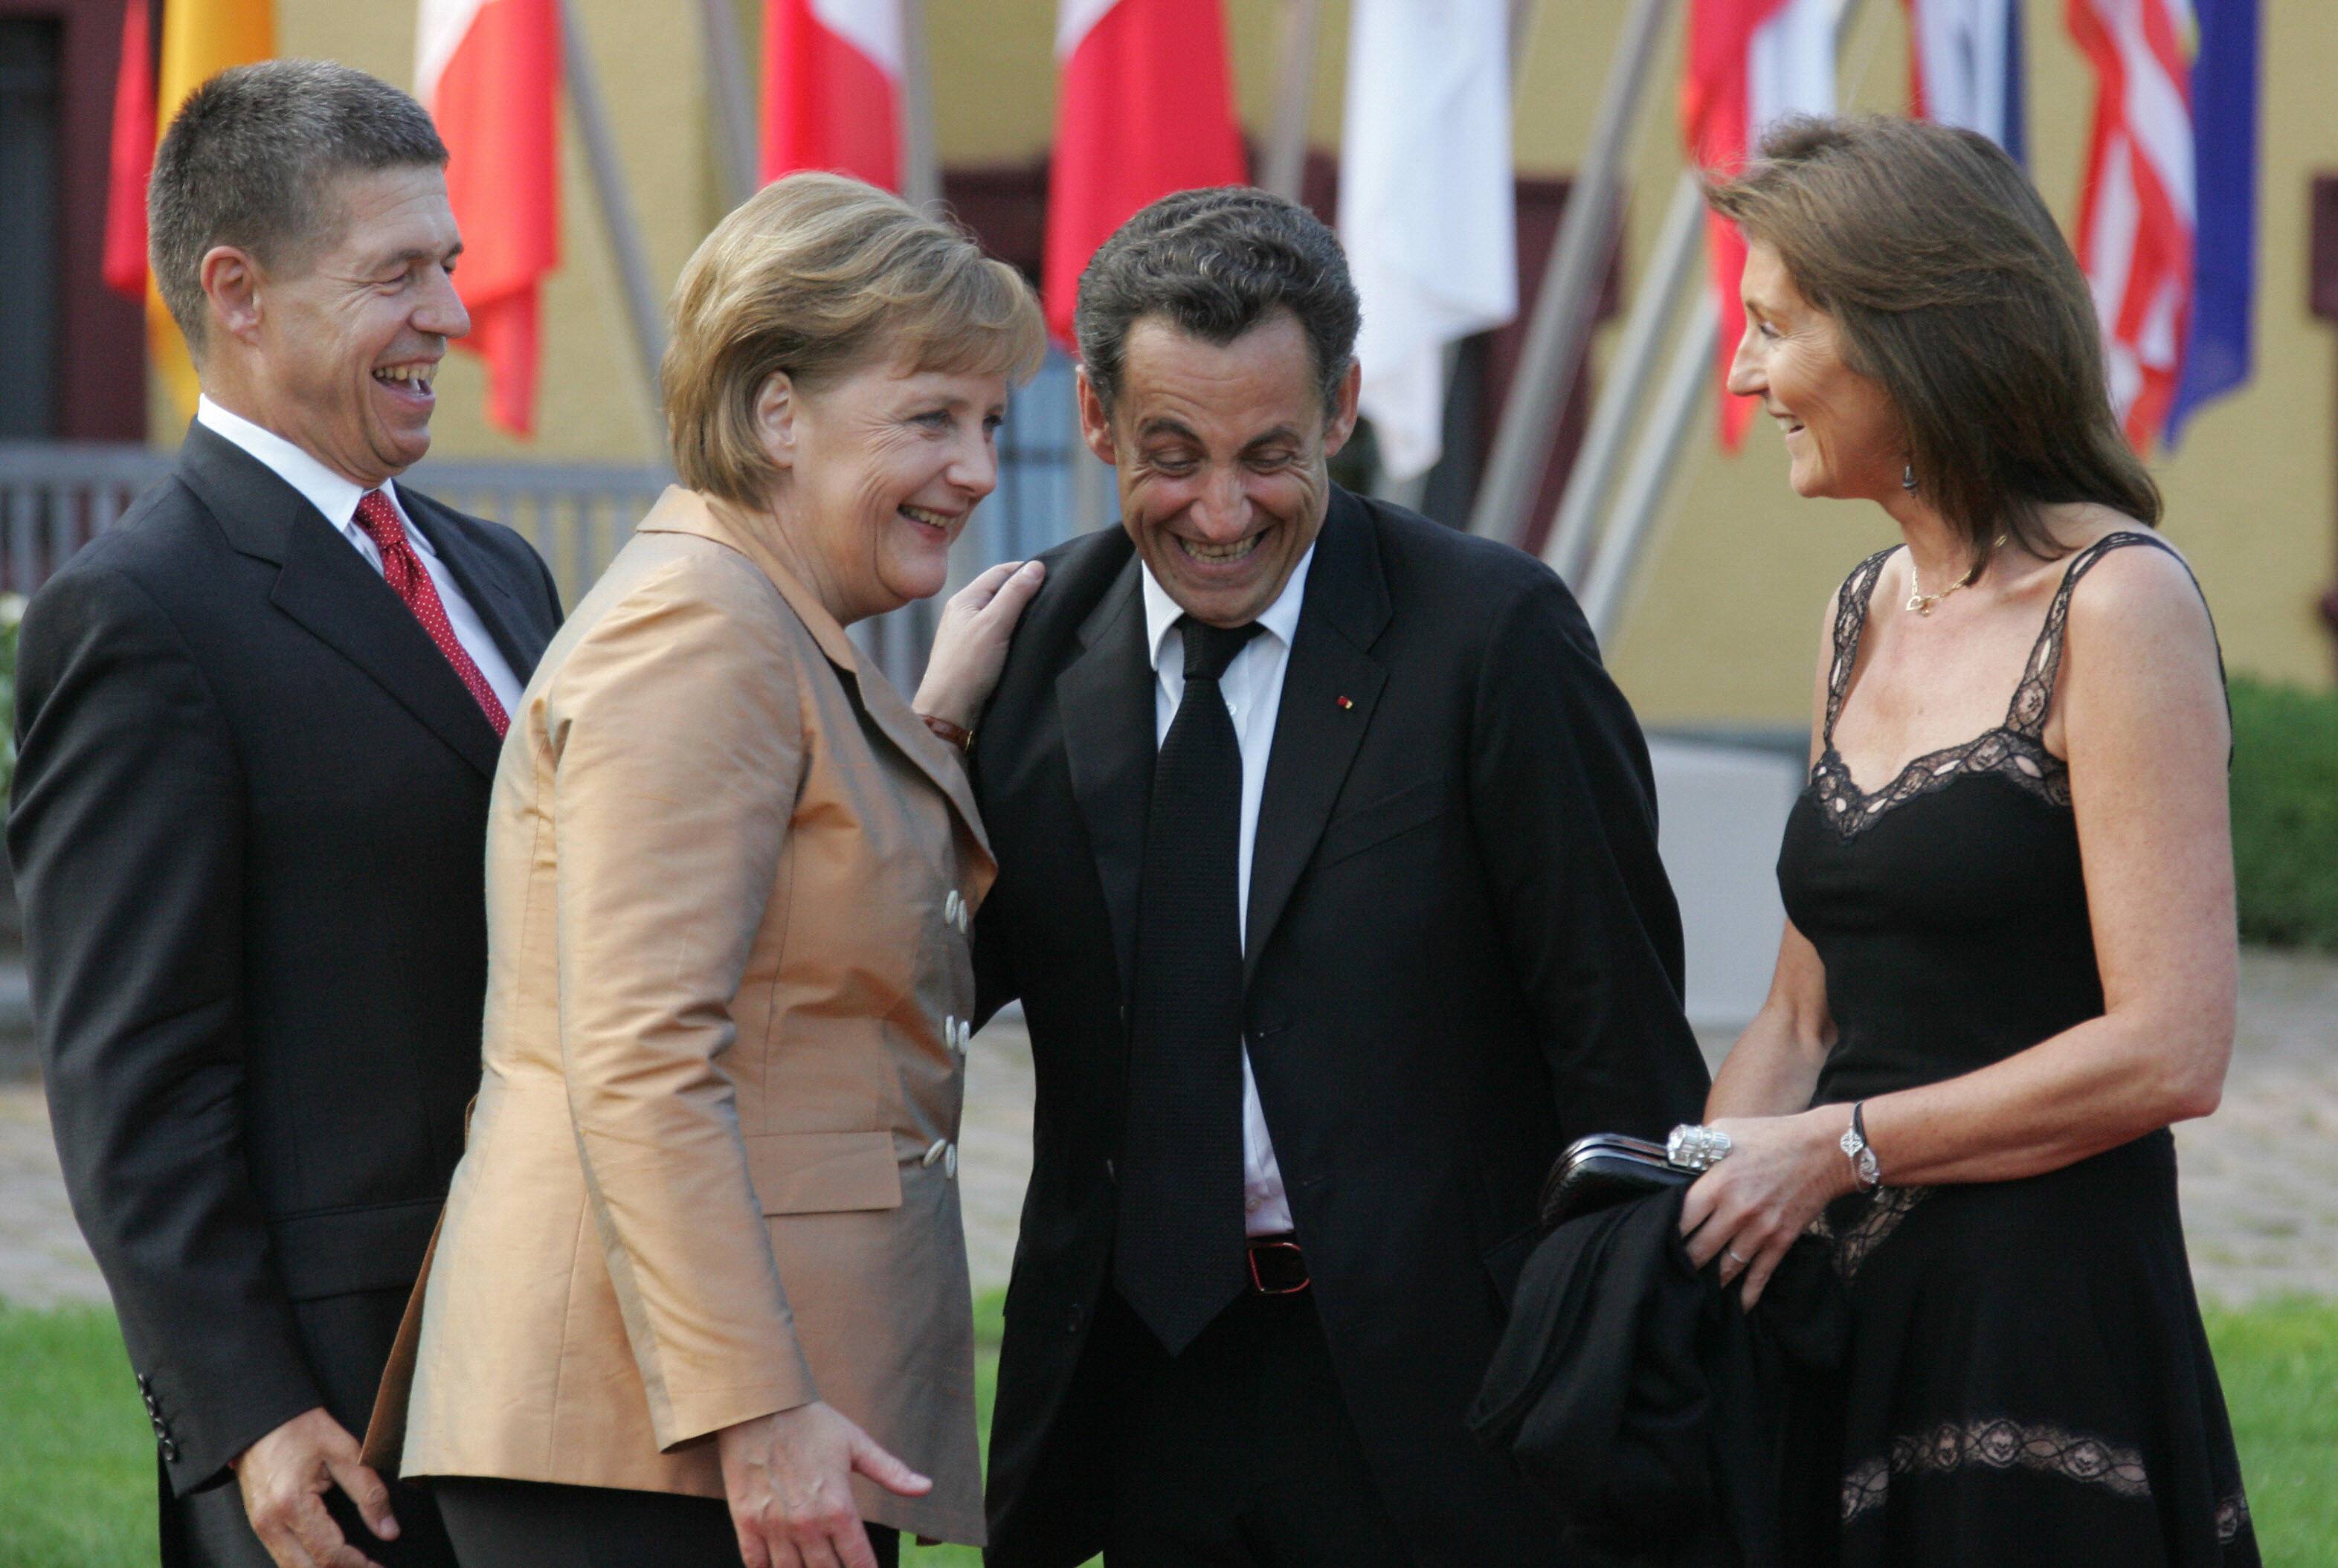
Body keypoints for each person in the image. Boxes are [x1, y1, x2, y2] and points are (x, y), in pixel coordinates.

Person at [958, 186, 1713, 1567]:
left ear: (1347, 406)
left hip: (1443, 1404)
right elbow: (914, 985)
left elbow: (1624, 1051)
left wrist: (1625, 1391)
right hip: (1140, 1390)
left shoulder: (1495, 637)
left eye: (1271, 453)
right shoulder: (1027, 651)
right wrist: (930, 746)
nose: (1224, 510)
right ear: (1096, 419)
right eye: (1173, 454)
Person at [390, 172, 1046, 1568]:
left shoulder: (764, 626)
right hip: (651, 1449)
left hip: (680, 1435)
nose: (980, 469)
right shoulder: (702, 634)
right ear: (776, 411)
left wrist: (923, 727)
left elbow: (800, 936)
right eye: (930, 417)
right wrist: (758, 1409)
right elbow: (639, 1052)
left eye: (992, 422)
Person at [1675, 115, 2256, 1565]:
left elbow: (2172, 1046)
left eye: (1770, 327)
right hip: (1849, 1310)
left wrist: (1839, 1149)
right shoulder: (1860, 608)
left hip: (2037, 1329)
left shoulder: (2120, 606)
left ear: (1904, 329)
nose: (1744, 373)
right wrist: (1687, 1201)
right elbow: (1803, 1011)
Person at [7, 61, 563, 1568]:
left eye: (446, 264)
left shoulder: (500, 572)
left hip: (550, 1374)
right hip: (340, 1436)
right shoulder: (137, 615)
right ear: (237, 293)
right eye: (397, 273)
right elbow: (132, 1075)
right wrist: (246, 1408)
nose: (448, 313)